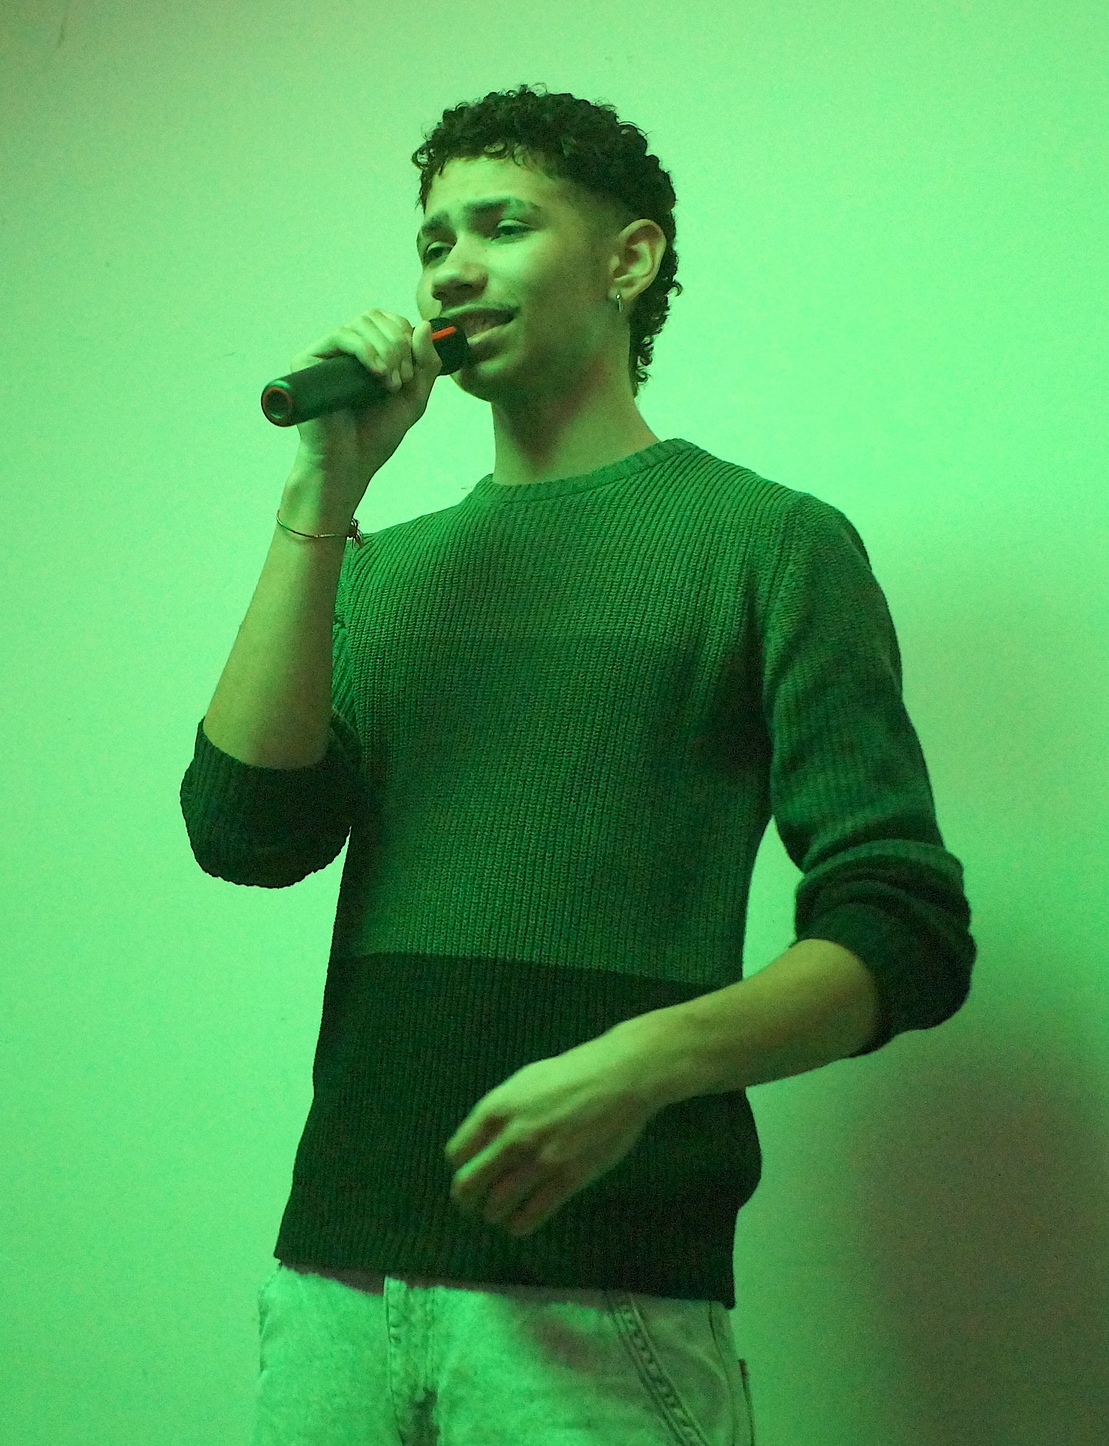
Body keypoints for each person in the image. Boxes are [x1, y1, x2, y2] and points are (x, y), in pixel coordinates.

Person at [180, 85, 972, 1445]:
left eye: (503, 226)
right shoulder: (386, 569)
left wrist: (639, 1065)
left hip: (603, 1303)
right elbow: (244, 829)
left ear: (628, 259)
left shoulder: (766, 544)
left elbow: (903, 928)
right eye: (433, 241)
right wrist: (323, 492)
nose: (452, 268)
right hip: (334, 1289)